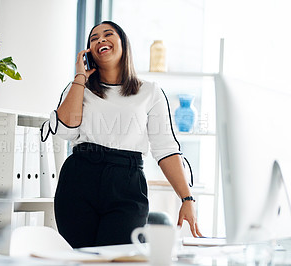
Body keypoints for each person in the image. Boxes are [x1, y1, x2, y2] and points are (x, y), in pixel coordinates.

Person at [40, 21, 202, 248]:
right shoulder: (78, 87)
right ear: (89, 52)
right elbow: (65, 129)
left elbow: (166, 148)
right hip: (79, 178)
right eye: (94, 38)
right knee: (79, 258)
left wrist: (187, 198)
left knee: (117, 257)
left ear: (124, 45)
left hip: (126, 182)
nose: (100, 40)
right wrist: (80, 77)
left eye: (108, 34)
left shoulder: (150, 92)